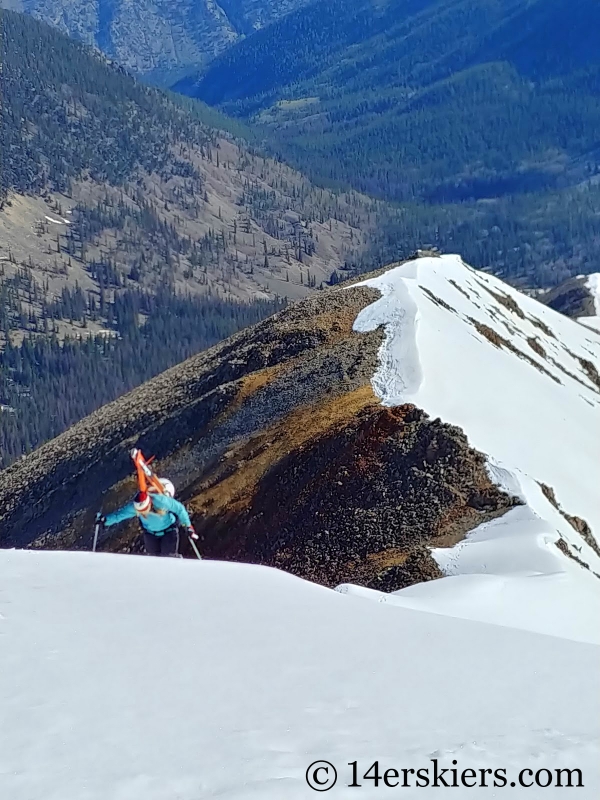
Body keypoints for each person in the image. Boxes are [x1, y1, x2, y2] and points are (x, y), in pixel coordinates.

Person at [99, 487, 197, 557]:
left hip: (169, 532)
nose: (141, 513)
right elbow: (120, 515)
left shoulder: (161, 501)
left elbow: (179, 509)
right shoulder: (135, 507)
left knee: (168, 559)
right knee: (153, 560)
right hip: (150, 535)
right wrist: (105, 520)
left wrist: (188, 526)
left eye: (143, 510)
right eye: (139, 511)